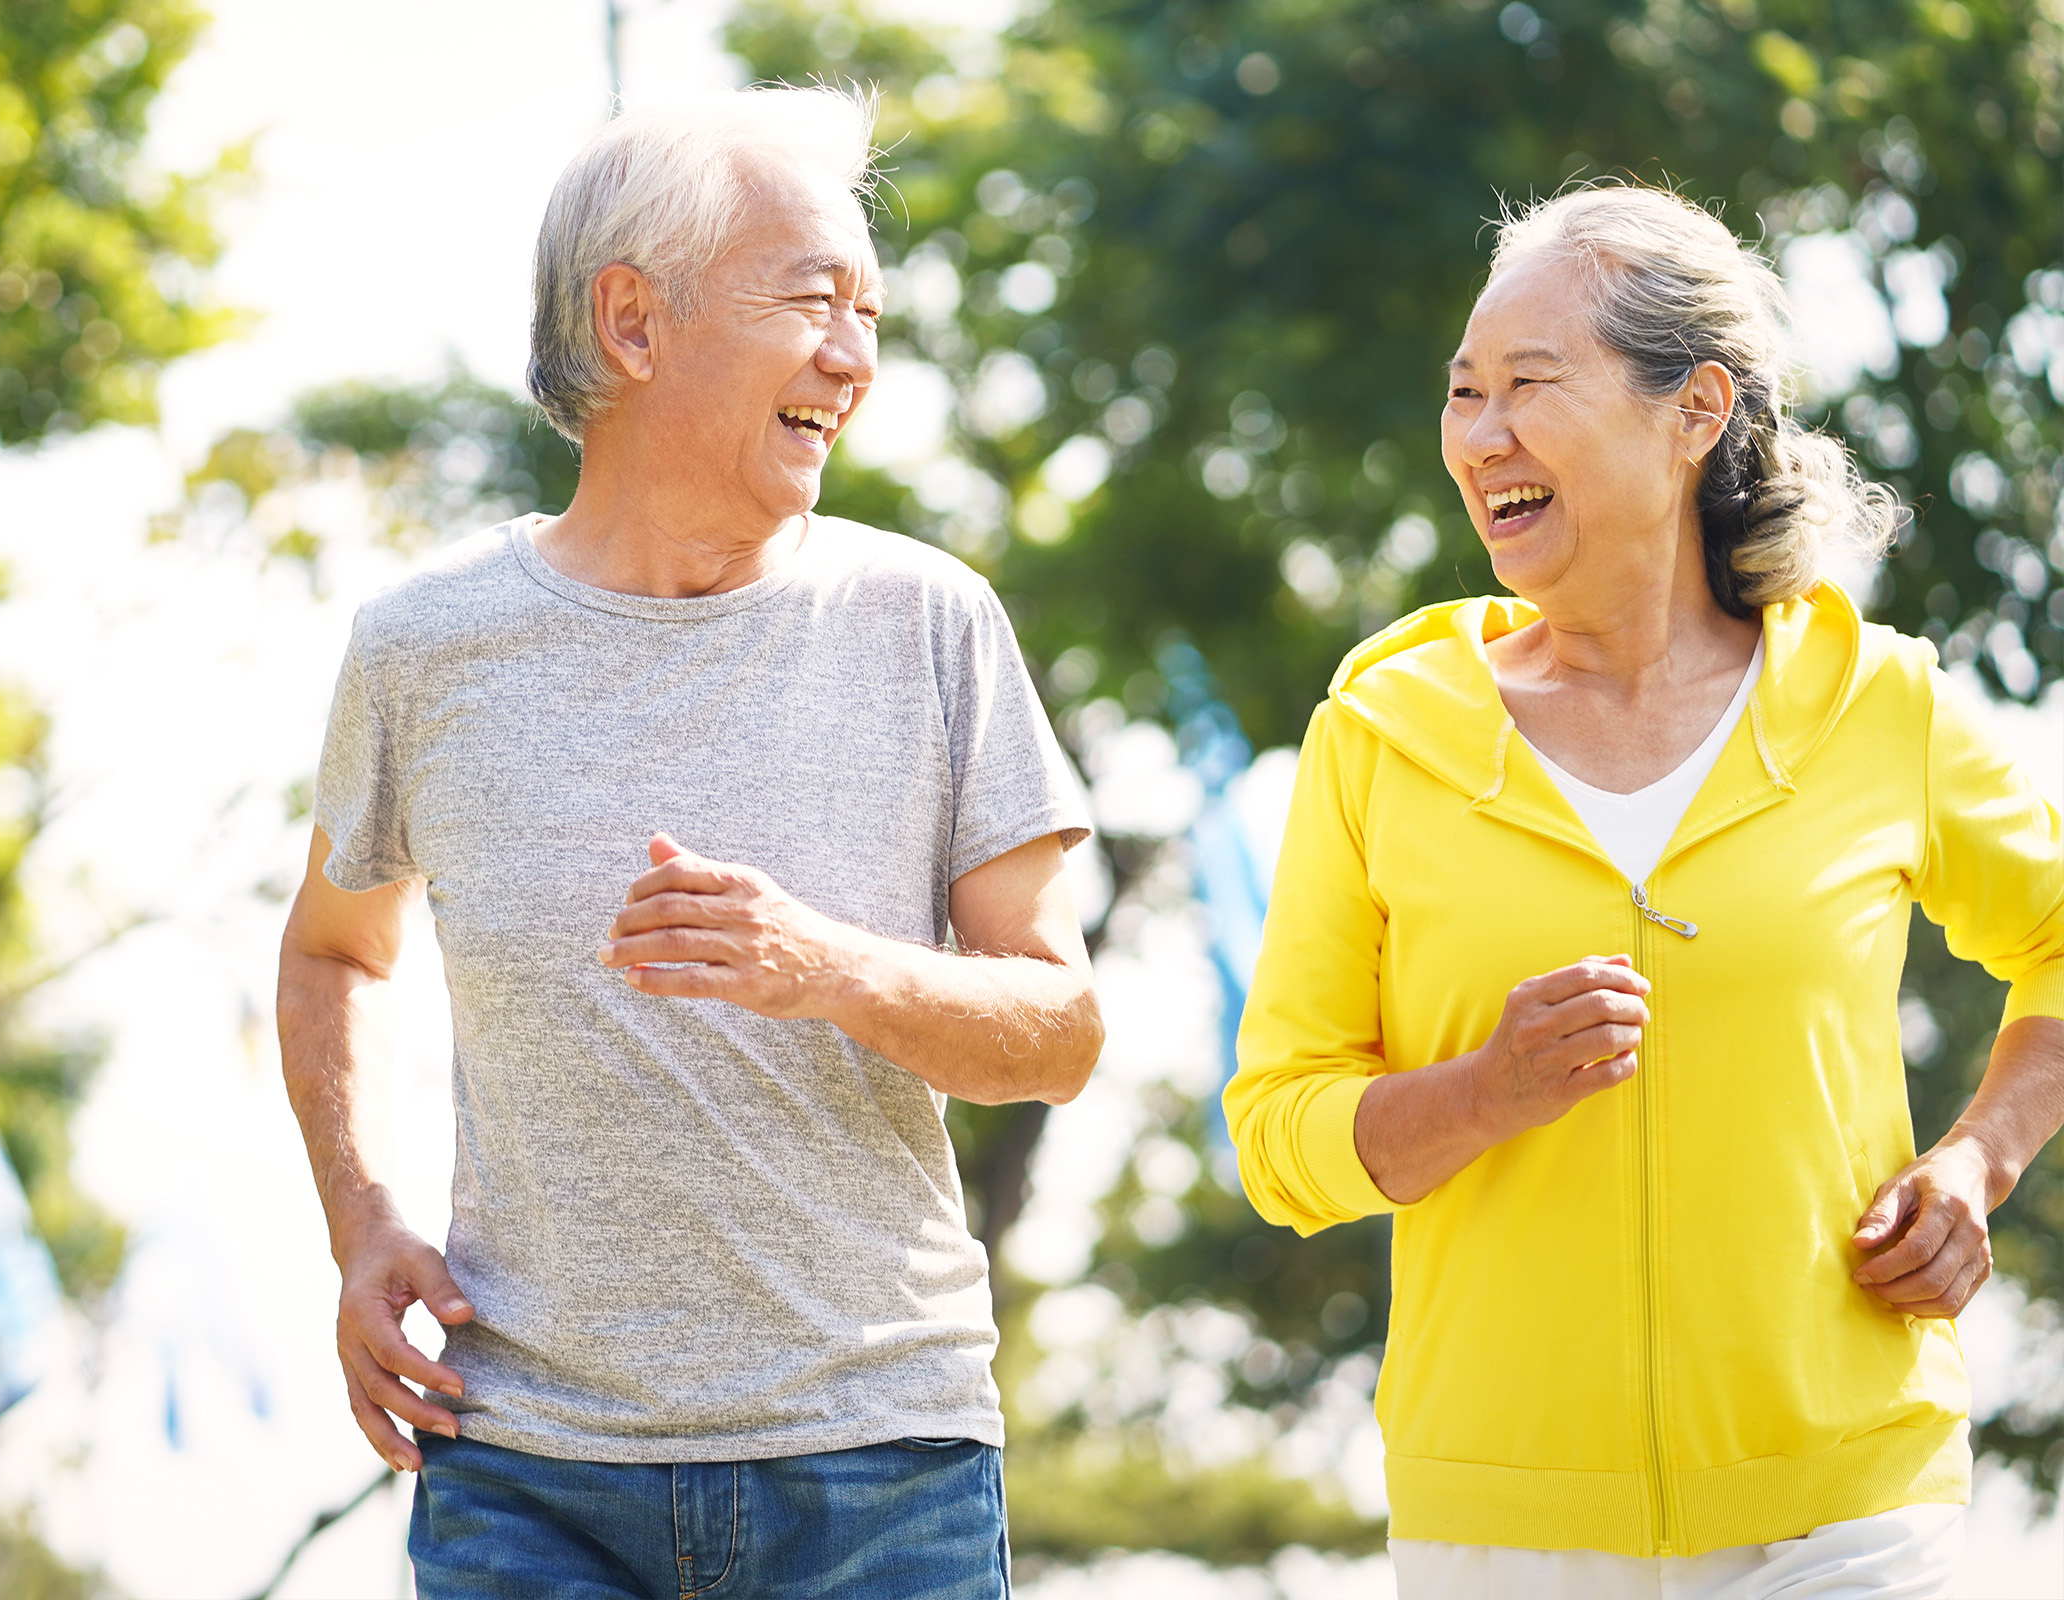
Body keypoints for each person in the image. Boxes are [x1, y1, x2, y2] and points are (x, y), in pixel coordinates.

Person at [275, 86, 1100, 1600]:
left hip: (881, 1474)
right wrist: (364, 1219)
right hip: (525, 1476)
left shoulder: (928, 621)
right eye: (812, 302)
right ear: (635, 323)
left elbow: (1058, 1030)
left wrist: (830, 969)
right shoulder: (422, 648)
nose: (855, 356)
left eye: (872, 311)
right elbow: (338, 953)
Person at [1225, 183, 2064, 1597]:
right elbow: (1277, 1135)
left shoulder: (1876, 702)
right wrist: (1485, 1092)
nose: (1482, 435)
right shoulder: (1382, 733)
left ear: (1694, 413)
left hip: (1850, 1512)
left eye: (1530, 387)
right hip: (1503, 1530)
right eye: (1464, 394)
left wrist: (1977, 1161)